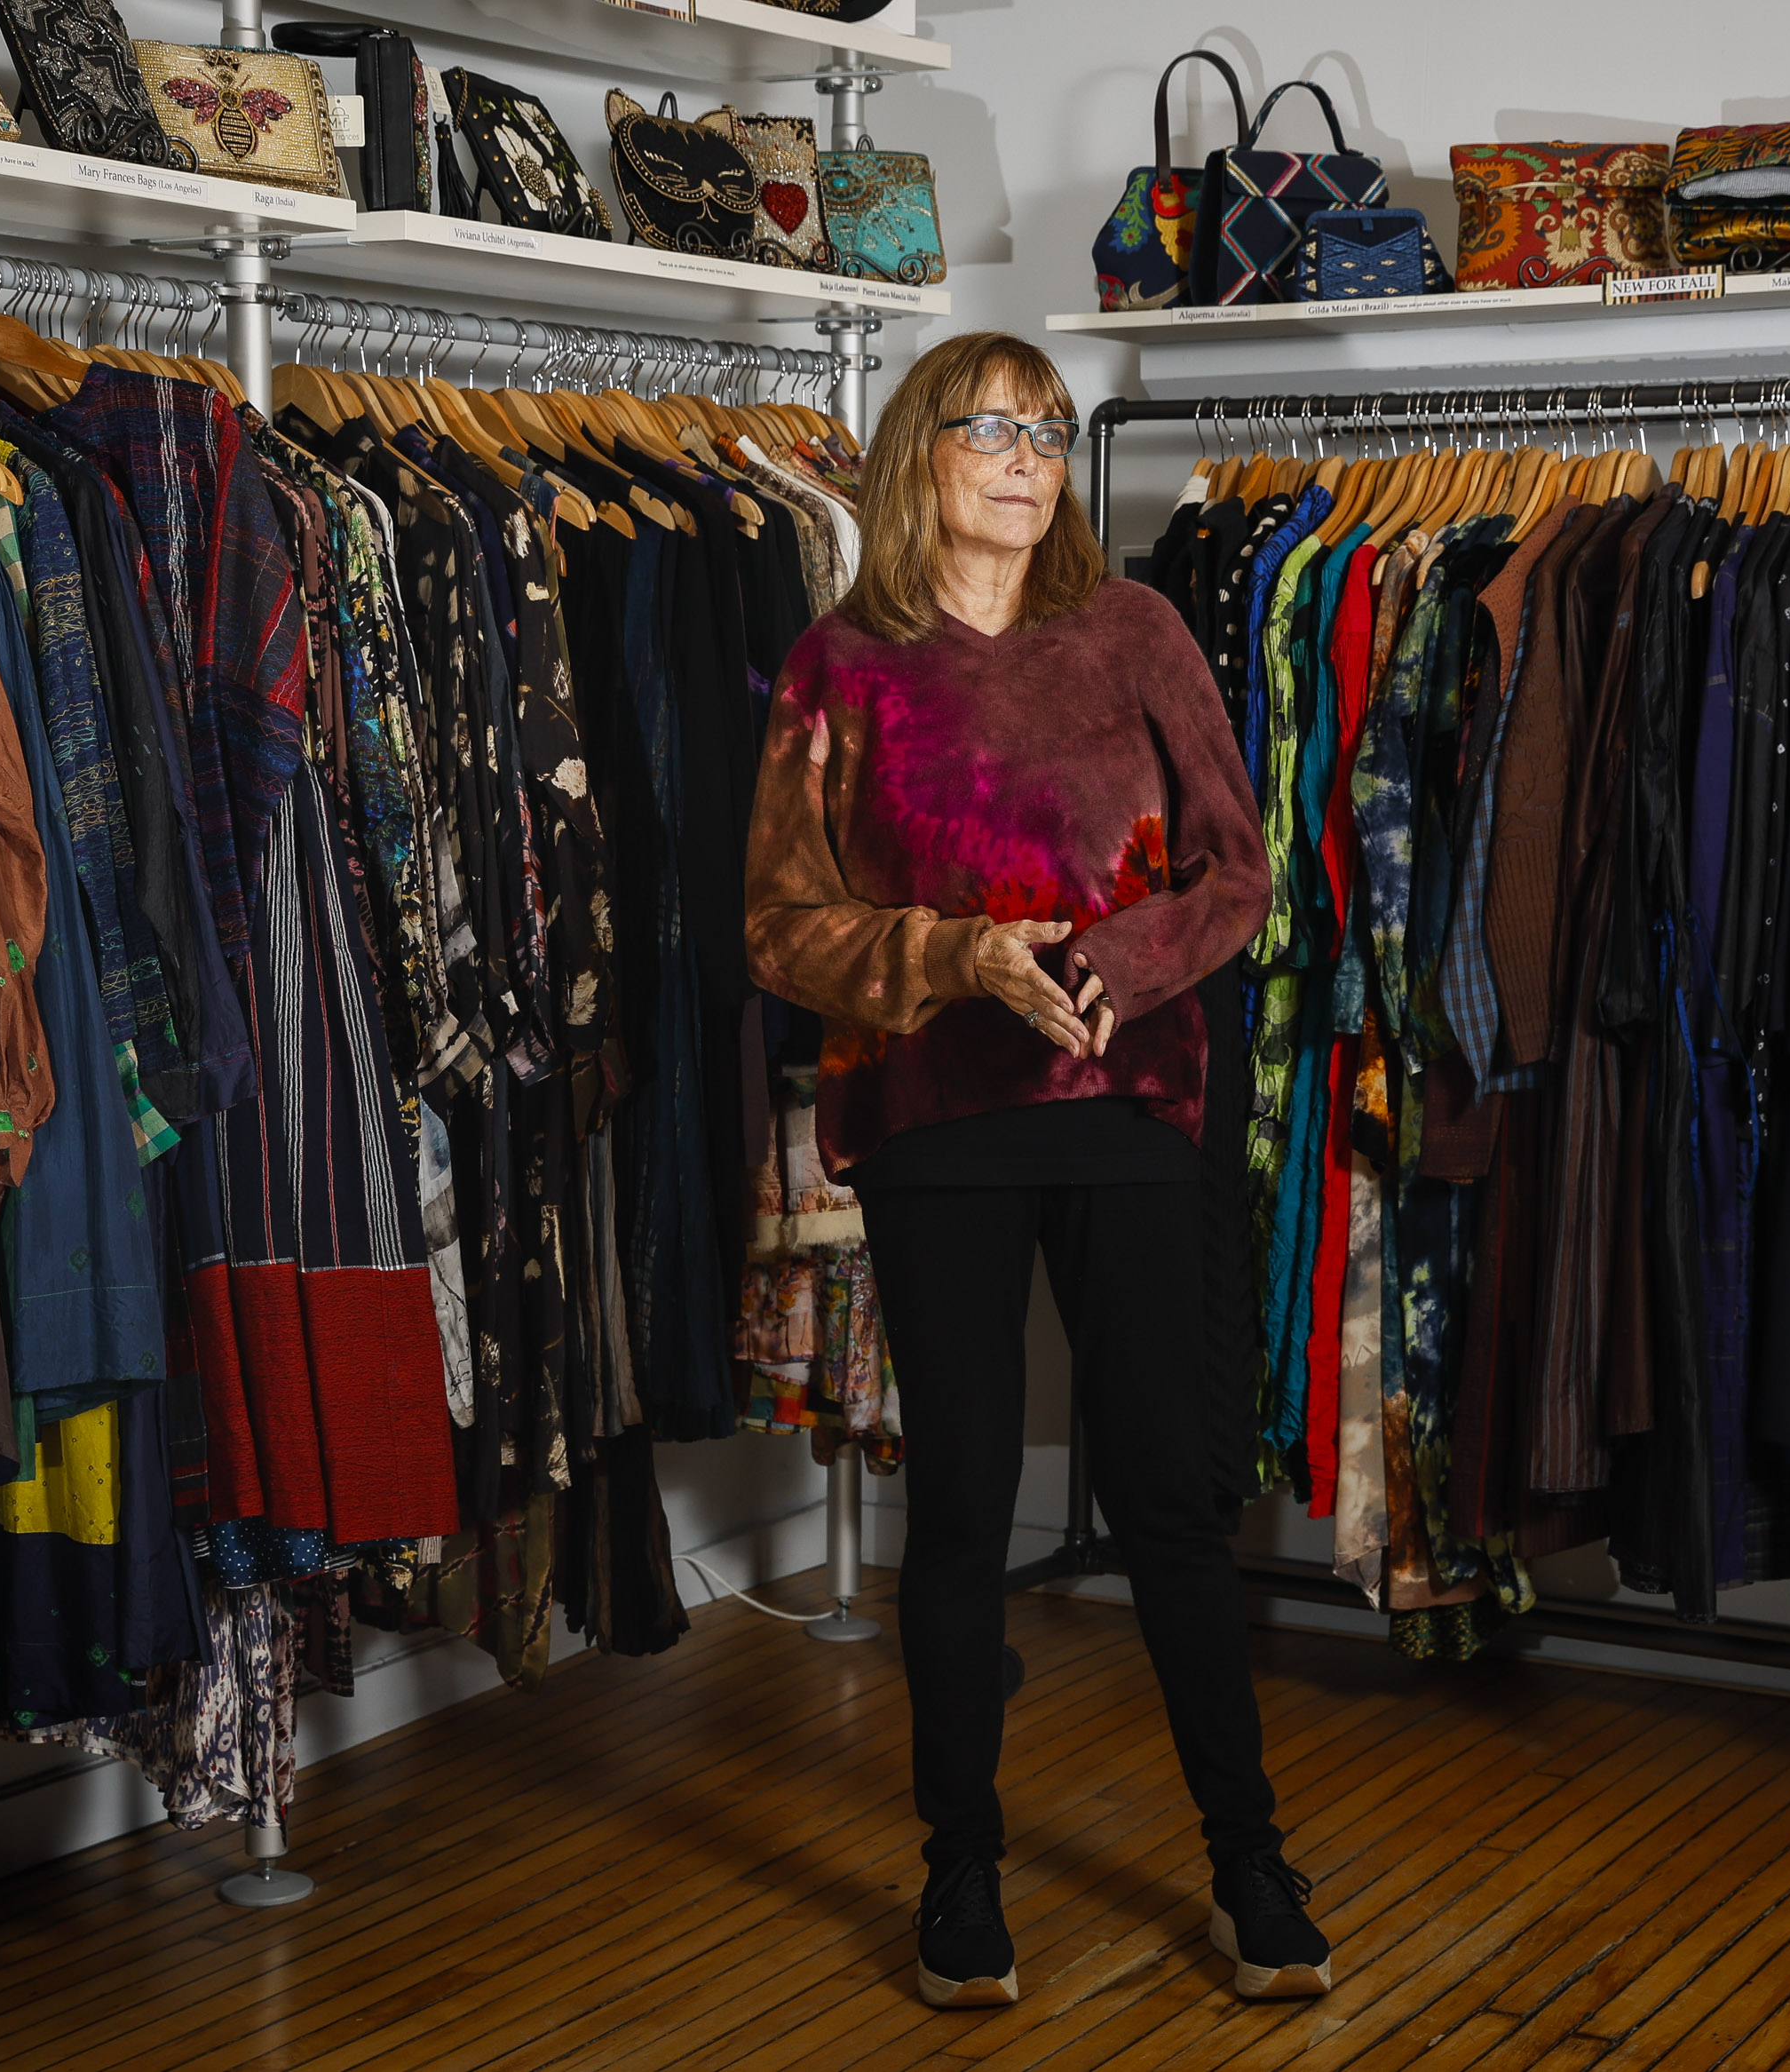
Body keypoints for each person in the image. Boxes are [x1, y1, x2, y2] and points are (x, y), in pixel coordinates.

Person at [745, 332, 1330, 2009]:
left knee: (1164, 1494)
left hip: (1129, 1098)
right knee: (961, 1506)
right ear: (919, 451)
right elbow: (780, 925)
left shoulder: (1135, 630)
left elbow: (1238, 868)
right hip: (938, 1114)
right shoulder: (837, 666)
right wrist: (956, 957)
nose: (1027, 454)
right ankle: (960, 1875)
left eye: (1050, 428)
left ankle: (1246, 1859)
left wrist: (1111, 969)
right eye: (992, 426)